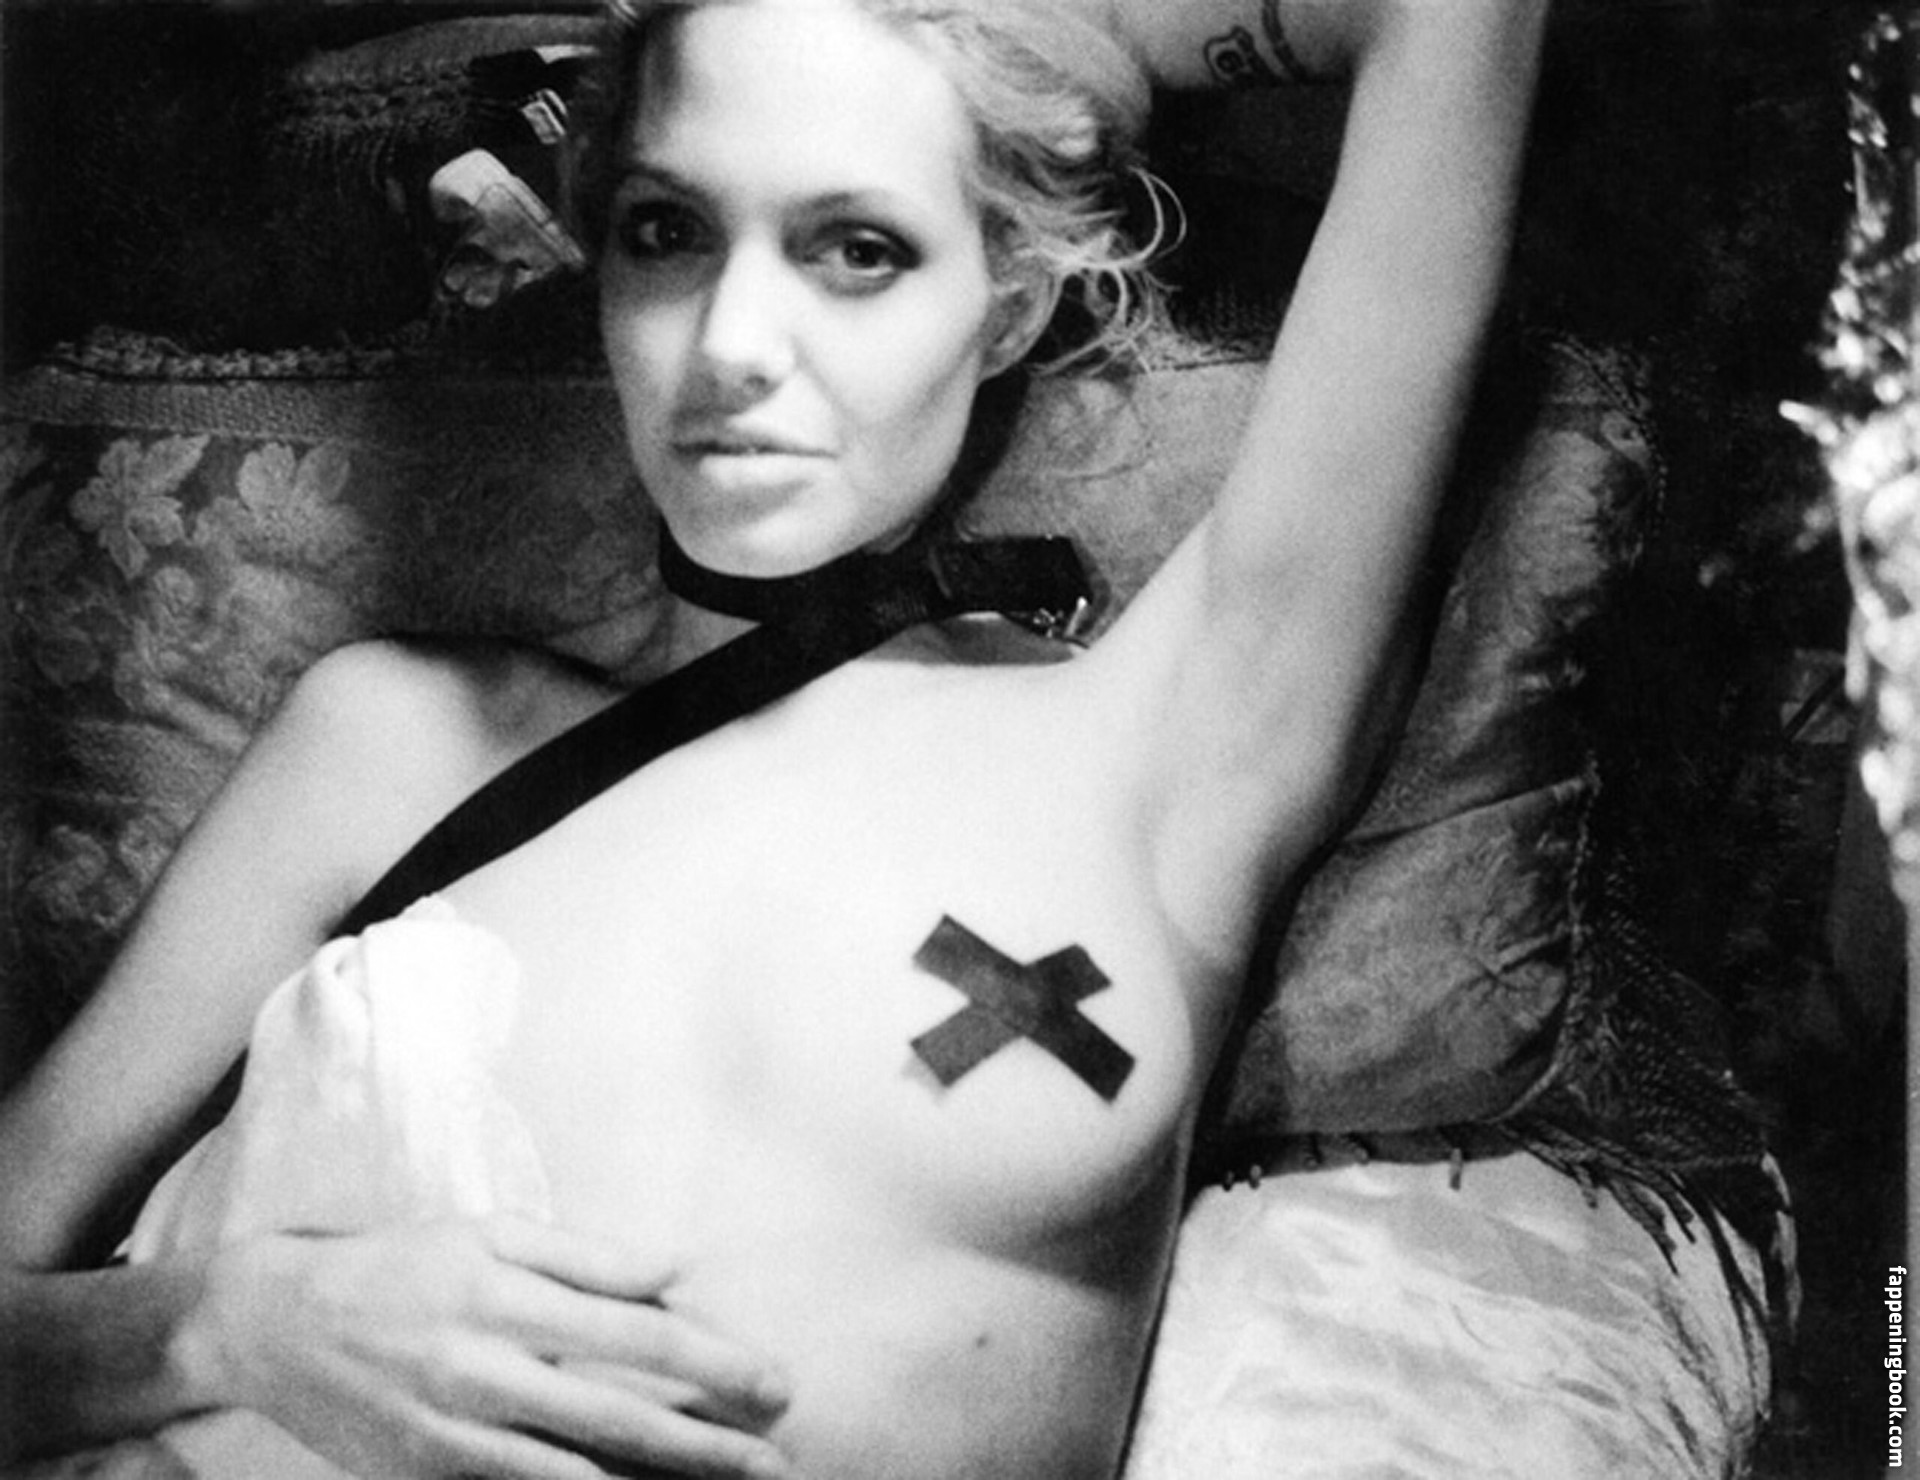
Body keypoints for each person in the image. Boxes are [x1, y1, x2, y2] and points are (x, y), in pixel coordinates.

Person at [0, 1, 1549, 1476]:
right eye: (665, 232)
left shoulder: (1174, 738)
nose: (731, 344)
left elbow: (1448, 24)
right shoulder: (390, 746)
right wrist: (232, 1326)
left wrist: (1003, 28)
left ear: (1010, 302)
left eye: (858, 249)